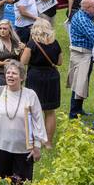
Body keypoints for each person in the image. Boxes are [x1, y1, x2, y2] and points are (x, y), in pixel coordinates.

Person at [0, 60, 48, 184]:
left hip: (24, 150)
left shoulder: (30, 95)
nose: (10, 75)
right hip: (0, 147)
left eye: (14, 73)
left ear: (22, 77)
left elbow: (38, 122)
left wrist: (37, 146)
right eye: (8, 73)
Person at [21, 18, 62, 146]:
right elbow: (59, 62)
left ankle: (33, 140)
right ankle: (48, 142)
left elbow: (23, 62)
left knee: (32, 110)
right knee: (50, 111)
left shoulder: (32, 44)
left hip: (35, 77)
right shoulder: (55, 43)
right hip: (51, 77)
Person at [66, 0, 94, 118]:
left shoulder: (85, 16)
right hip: (81, 54)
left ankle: (78, 109)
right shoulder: (82, 19)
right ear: (88, 8)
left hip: (84, 54)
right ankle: (74, 113)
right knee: (79, 84)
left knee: (82, 82)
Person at [0, 19, 25, 94]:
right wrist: (2, 63)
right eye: (0, 28)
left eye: (5, 28)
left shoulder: (15, 42)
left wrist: (23, 50)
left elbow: (21, 60)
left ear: (10, 30)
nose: (2, 30)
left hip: (13, 75)